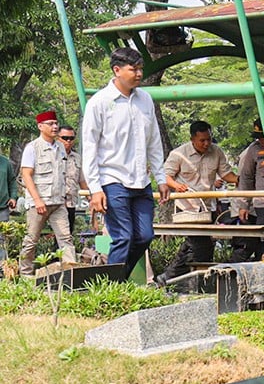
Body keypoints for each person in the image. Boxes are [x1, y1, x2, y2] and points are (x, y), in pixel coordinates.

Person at [82, 47, 170, 277]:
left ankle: (113, 278)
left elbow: (153, 141)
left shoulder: (146, 100)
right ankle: (111, 288)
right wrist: (95, 189)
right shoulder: (99, 102)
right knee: (123, 237)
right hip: (112, 179)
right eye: (134, 69)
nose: (139, 73)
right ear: (117, 70)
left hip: (141, 181)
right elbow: (89, 148)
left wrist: (161, 178)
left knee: (144, 236)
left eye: (141, 68)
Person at [159, 120, 238, 283]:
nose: (206, 143)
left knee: (198, 245)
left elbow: (226, 175)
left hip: (206, 208)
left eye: (208, 139)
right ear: (192, 139)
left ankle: (172, 278)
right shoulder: (179, 154)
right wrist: (176, 186)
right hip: (186, 207)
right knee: (199, 243)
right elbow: (165, 176)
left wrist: (241, 179)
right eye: (202, 140)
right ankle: (175, 278)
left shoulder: (216, 152)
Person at [19, 111, 77, 276]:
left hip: (58, 203)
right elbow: (26, 175)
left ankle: (70, 274)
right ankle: (26, 275)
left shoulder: (59, 146)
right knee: (31, 240)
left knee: (66, 239)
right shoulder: (32, 148)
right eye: (50, 123)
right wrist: (37, 200)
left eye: (56, 123)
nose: (55, 126)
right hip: (39, 203)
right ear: (40, 126)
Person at [229, 117, 264, 262]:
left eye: (263, 136)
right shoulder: (253, 150)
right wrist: (244, 205)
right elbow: (246, 178)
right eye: (258, 137)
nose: (260, 140)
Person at [57, 125, 88, 235]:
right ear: (57, 138)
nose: (68, 141)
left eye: (71, 138)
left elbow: (82, 180)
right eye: (65, 138)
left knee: (67, 235)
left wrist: (91, 198)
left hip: (70, 203)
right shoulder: (51, 155)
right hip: (54, 203)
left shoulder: (77, 158)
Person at [0, 152, 18, 261]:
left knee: (2, 239)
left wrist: (13, 197)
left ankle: (2, 268)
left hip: (2, 208)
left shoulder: (5, 162)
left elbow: (12, 181)